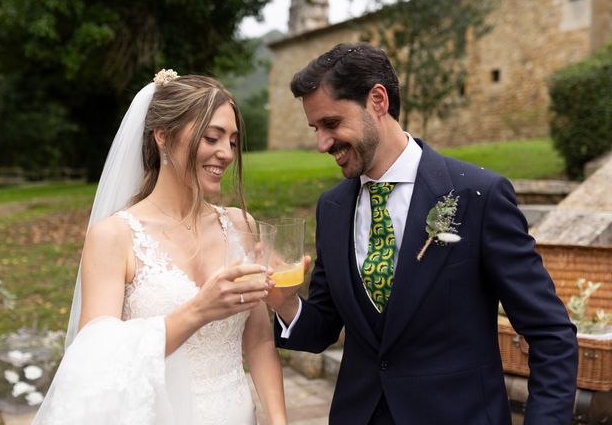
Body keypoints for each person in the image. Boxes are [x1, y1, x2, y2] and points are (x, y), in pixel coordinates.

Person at [265, 43, 578, 425]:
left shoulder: (478, 194)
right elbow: (323, 328)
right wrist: (285, 305)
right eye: (315, 129)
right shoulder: (332, 207)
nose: (322, 144)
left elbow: (551, 334)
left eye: (331, 123)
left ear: (377, 100)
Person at [33, 71, 287, 425]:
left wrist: (278, 420)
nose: (226, 153)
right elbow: (96, 360)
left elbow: (259, 340)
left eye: (232, 140)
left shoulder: (240, 224)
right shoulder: (114, 236)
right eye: (211, 137)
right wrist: (199, 309)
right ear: (163, 137)